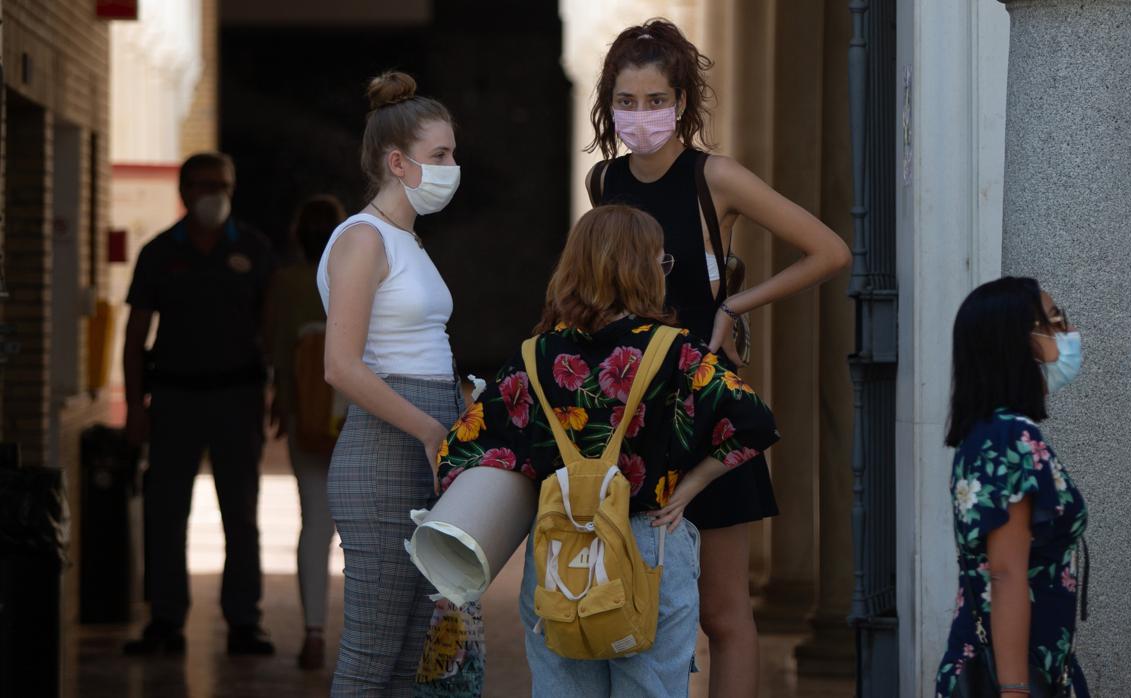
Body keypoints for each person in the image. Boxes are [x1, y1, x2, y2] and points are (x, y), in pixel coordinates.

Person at [583, 18, 851, 695]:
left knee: (722, 611)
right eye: (626, 101)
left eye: (655, 101)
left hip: (706, 411)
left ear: (682, 102)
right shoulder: (603, 182)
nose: (641, 116)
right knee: (632, 593)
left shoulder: (716, 178)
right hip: (627, 413)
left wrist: (735, 306)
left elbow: (829, 250)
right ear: (608, 104)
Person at [438, 204, 780, 697]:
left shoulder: (536, 355)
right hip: (648, 542)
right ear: (643, 269)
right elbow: (755, 422)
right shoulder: (675, 350)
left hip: (560, 546)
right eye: (662, 264)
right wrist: (689, 488)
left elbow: (462, 448)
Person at [318, 71, 480, 695]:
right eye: (439, 156)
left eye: (451, 154)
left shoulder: (406, 239)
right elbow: (342, 365)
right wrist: (429, 426)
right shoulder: (362, 239)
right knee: (371, 656)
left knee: (415, 657)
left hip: (419, 446)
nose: (451, 167)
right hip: (385, 455)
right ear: (397, 162)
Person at [122, 152, 276, 656]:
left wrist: (276, 396)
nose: (216, 193)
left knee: (241, 513)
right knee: (166, 514)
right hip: (174, 400)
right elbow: (136, 334)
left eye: (224, 184)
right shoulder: (159, 253)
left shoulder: (254, 249)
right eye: (205, 184)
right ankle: (165, 620)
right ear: (184, 192)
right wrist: (135, 407)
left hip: (237, 398)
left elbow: (271, 330)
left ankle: (243, 621)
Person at [935, 277, 1090, 698]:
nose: (1067, 334)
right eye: (1054, 322)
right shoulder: (1006, 438)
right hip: (1012, 679)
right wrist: (1017, 691)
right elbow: (1005, 575)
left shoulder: (998, 433)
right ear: (1017, 343)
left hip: (1039, 668)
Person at [263, 194, 346, 670]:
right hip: (354, 418)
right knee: (359, 531)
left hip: (306, 420)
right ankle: (362, 634)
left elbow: (275, 349)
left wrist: (284, 405)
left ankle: (313, 631)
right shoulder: (352, 278)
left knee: (314, 522)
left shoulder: (284, 282)